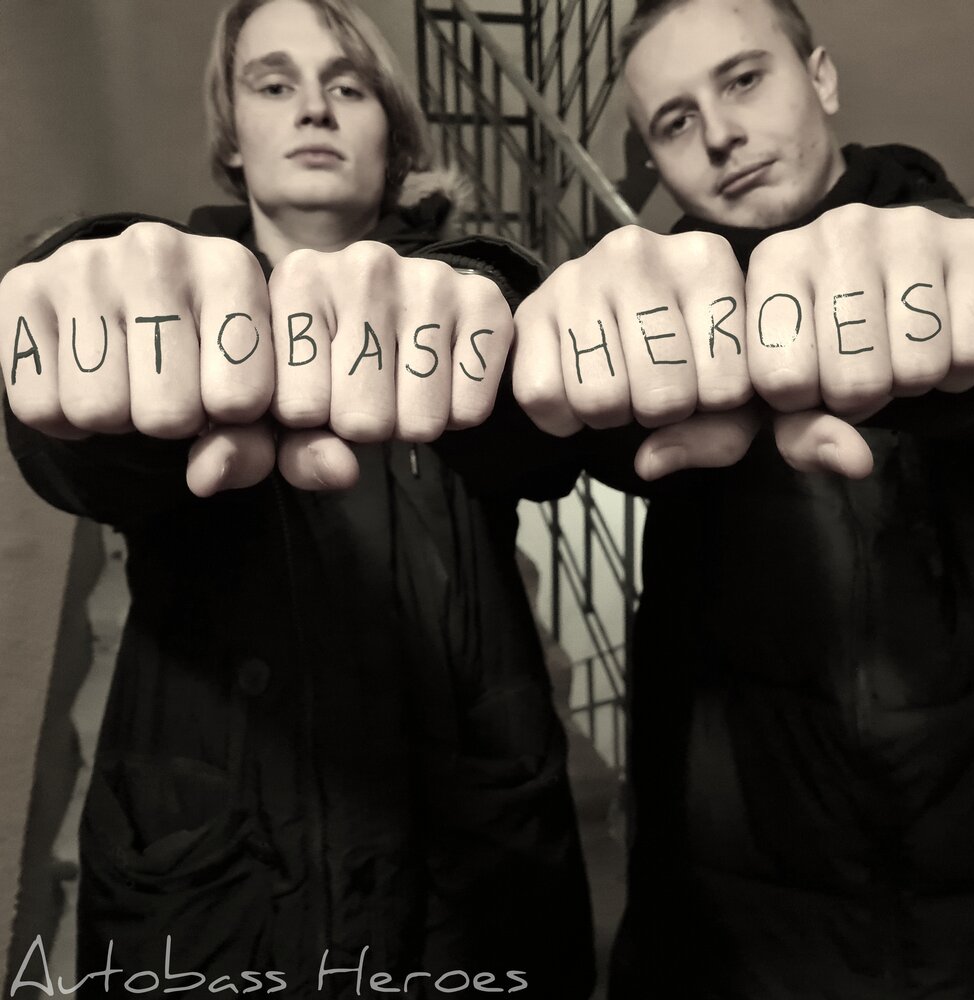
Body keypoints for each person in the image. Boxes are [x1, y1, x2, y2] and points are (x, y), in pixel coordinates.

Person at [0, 1, 594, 996]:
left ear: (394, 138)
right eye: (274, 83)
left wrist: (485, 294)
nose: (313, 107)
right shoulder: (166, 308)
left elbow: (537, 426)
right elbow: (84, 458)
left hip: (463, 899)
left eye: (348, 85)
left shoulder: (471, 309)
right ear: (232, 133)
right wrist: (85, 294)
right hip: (208, 899)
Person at [511, 0, 974, 996]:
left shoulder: (959, 254)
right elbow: (565, 424)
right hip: (727, 929)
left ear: (821, 78)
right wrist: (518, 315)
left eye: (742, 80)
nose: (720, 135)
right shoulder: (662, 324)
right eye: (675, 121)